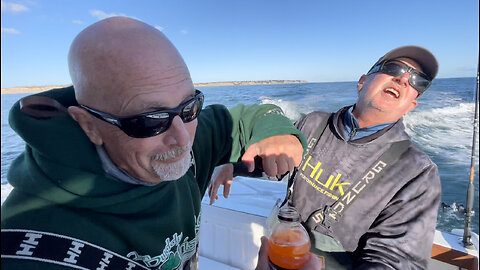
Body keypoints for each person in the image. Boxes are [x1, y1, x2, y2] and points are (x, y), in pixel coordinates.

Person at [0, 17, 308, 270]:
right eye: (150, 120)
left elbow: (243, 119)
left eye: (190, 107)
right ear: (89, 126)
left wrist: (276, 130)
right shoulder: (36, 247)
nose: (183, 138)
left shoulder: (178, 144)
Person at [210, 45, 442, 269]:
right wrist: (233, 165)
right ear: (362, 82)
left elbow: (395, 259)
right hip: (280, 251)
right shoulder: (313, 122)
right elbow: (276, 161)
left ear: (412, 104)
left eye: (417, 81)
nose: (403, 79)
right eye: (394, 69)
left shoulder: (418, 172)